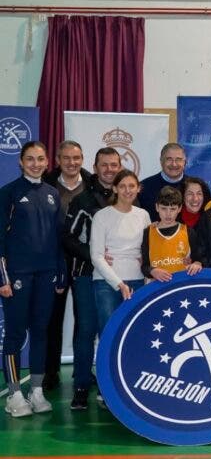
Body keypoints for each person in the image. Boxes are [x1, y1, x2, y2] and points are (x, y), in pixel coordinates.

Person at [0, 141, 66, 417]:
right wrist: (3, 278)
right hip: (17, 277)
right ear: (20, 161)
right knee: (15, 334)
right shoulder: (9, 193)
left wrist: (60, 272)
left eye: (40, 159)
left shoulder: (53, 194)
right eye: (30, 159)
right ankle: (15, 393)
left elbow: (59, 238)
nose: (36, 164)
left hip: (47, 275)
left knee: (41, 332)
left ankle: (36, 390)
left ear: (47, 161)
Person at [63, 147, 122, 410]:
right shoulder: (83, 201)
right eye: (104, 165)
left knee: (113, 331)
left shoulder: (130, 199)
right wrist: (94, 256)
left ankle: (111, 386)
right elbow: (67, 238)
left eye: (114, 165)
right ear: (96, 168)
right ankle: (81, 386)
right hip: (86, 274)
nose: (110, 170)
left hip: (119, 278)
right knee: (86, 330)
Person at [41, 140, 92, 391]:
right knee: (53, 319)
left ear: (83, 159)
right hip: (53, 261)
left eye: (77, 158)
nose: (72, 163)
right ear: (58, 160)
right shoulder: (46, 183)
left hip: (84, 262)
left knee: (84, 321)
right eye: (67, 158)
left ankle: (82, 372)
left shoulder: (92, 184)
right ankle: (51, 372)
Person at [90, 170, 150, 333]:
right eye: (122, 186)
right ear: (115, 189)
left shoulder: (143, 215)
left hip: (137, 281)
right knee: (109, 333)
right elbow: (96, 256)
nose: (127, 190)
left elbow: (149, 249)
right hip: (105, 283)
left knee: (134, 333)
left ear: (138, 188)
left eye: (132, 186)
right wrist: (119, 284)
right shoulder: (101, 216)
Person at [141, 186, 203, 282]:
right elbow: (144, 266)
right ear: (157, 207)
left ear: (179, 209)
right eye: (164, 208)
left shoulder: (188, 232)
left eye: (173, 209)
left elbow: (198, 259)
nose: (168, 214)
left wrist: (197, 264)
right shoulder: (148, 232)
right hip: (156, 289)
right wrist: (152, 270)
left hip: (181, 286)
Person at [138, 142, 211, 222]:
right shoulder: (144, 187)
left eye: (178, 159)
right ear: (161, 161)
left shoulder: (195, 187)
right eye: (169, 159)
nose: (174, 164)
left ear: (185, 162)